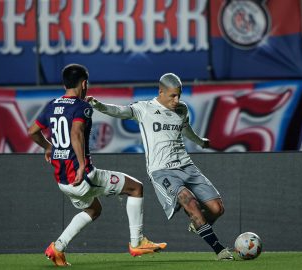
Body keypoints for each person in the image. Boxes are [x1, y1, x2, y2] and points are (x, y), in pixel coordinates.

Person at [27, 64, 166, 266]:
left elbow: (32, 131)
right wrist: (82, 165)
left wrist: (48, 147)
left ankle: (57, 248)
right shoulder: (82, 107)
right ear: (84, 83)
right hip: (83, 177)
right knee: (136, 187)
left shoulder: (52, 105)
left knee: (94, 210)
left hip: (63, 181)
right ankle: (137, 242)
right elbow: (75, 133)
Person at [86, 73, 233, 261]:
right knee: (189, 201)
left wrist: (200, 142)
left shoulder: (182, 109)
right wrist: (99, 105)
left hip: (186, 165)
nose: (177, 100)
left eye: (179, 95)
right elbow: (119, 111)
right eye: (172, 95)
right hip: (162, 170)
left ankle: (199, 224)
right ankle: (219, 250)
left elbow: (185, 129)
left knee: (216, 209)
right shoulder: (144, 108)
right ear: (161, 92)